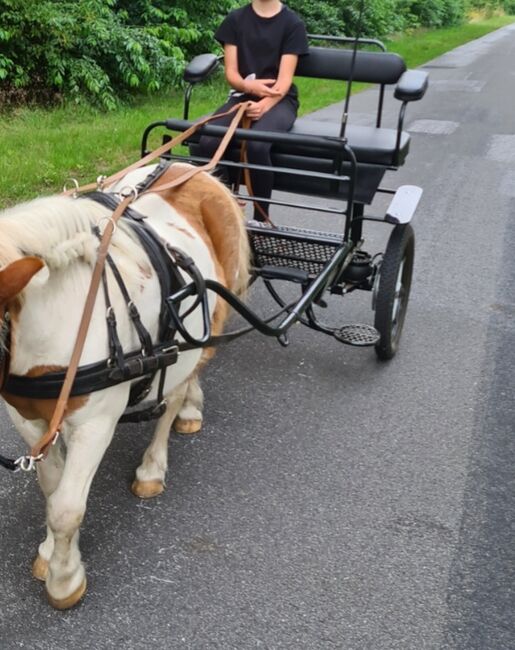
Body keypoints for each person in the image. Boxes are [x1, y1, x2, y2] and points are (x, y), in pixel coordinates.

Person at [197, 0, 309, 221]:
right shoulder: (235, 20)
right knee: (208, 141)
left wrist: (264, 105)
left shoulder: (292, 24)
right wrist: (249, 87)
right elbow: (232, 73)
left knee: (257, 144)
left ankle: (261, 219)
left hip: (280, 100)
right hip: (242, 95)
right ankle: (226, 205)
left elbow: (284, 82)